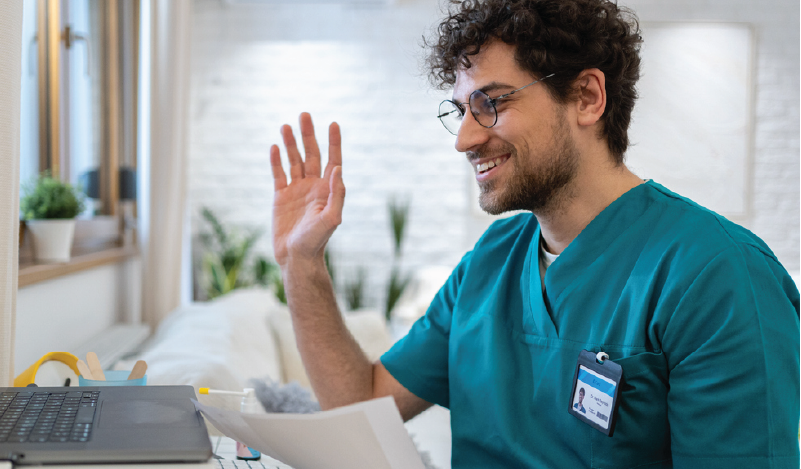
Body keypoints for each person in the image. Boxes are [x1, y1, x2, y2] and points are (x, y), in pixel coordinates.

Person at [266, 0, 801, 467]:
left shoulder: (720, 276)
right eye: (460, 111)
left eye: (491, 104)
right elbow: (363, 404)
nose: (465, 139)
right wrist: (302, 263)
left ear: (588, 97)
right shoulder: (491, 260)